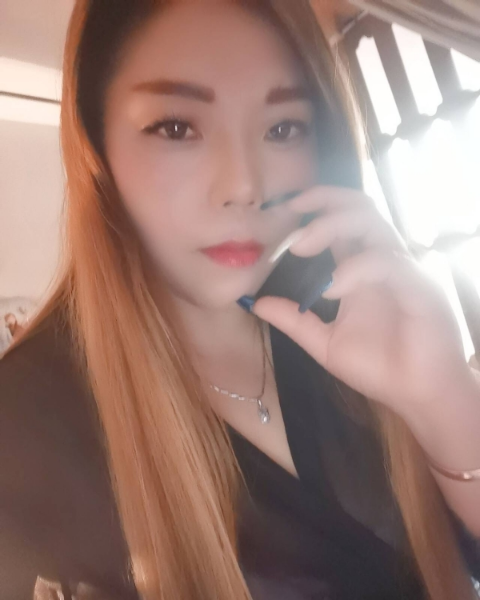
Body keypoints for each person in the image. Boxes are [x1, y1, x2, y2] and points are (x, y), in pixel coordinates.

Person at [1, 1, 479, 598]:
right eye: (177, 128)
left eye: (283, 128)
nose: (244, 186)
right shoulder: (24, 431)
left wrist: (444, 395)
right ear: (96, 146)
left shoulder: (353, 311)